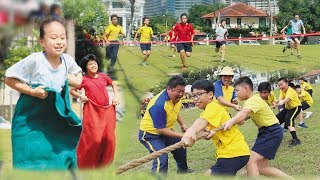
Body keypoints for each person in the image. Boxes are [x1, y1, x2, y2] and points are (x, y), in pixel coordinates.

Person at [4, 18, 83, 170]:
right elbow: (9, 78)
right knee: (30, 159)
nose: (59, 41)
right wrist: (31, 91)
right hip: (32, 118)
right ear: (42, 42)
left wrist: (70, 79)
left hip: (56, 119)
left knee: (60, 158)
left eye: (63, 37)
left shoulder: (67, 60)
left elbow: (78, 77)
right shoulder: (35, 60)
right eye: (53, 38)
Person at [222, 76, 288, 177]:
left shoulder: (252, 100)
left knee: (250, 160)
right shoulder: (253, 99)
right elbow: (246, 114)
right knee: (261, 168)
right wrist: (239, 119)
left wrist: (232, 121)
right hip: (268, 132)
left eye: (237, 90)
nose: (236, 93)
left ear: (245, 89)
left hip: (271, 132)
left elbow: (244, 112)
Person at [181, 80, 250, 176]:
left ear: (210, 94)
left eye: (199, 94)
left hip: (233, 153)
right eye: (193, 96)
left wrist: (191, 131)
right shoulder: (207, 111)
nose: (195, 99)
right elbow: (208, 133)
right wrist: (196, 136)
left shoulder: (213, 107)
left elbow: (202, 121)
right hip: (231, 153)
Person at [70, 54, 119, 168]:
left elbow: (113, 84)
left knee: (108, 138)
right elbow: (72, 91)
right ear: (85, 67)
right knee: (94, 138)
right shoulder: (84, 80)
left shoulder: (103, 76)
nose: (93, 65)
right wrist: (81, 96)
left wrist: (115, 96)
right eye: (90, 64)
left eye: (95, 63)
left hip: (106, 112)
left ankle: (103, 164)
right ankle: (85, 163)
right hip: (91, 112)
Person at [138, 75, 191, 174]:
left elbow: (175, 111)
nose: (181, 94)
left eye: (183, 91)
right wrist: (184, 135)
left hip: (165, 130)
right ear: (169, 89)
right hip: (150, 135)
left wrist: (182, 124)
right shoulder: (158, 104)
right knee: (161, 158)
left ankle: (183, 171)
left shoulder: (176, 99)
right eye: (178, 91)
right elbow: (160, 130)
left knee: (181, 145)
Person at [276, 78, 302, 147]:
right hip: (288, 108)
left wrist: (280, 102)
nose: (280, 87)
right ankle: (275, 136)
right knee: (276, 119)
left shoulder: (291, 91)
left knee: (288, 119)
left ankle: (296, 139)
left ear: (287, 83)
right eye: (279, 85)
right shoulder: (282, 90)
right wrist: (277, 102)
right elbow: (280, 98)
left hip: (296, 107)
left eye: (282, 84)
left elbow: (285, 100)